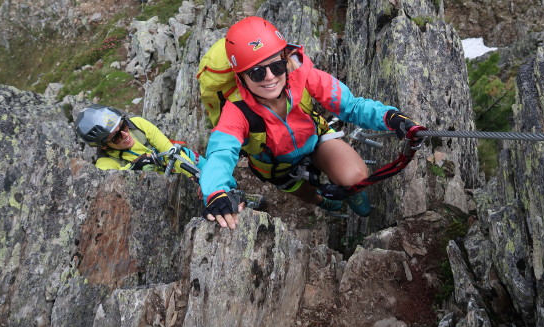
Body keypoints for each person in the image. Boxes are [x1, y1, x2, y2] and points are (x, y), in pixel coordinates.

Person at [199, 16, 422, 229]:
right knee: (307, 194)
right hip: (275, 165)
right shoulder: (236, 110)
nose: (269, 77)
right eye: (257, 72)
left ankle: (352, 190)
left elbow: (351, 106)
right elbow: (221, 153)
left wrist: (390, 118)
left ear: (286, 60)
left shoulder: (303, 76)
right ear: (241, 78)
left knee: (355, 177)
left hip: (314, 140)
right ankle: (322, 202)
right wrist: (215, 192)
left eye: (277, 66)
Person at [74, 104, 203, 179]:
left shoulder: (138, 125)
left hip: (186, 160)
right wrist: (135, 167)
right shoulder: (104, 164)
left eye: (123, 126)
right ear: (104, 147)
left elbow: (168, 149)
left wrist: (195, 177)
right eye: (116, 137)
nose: (125, 135)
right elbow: (113, 182)